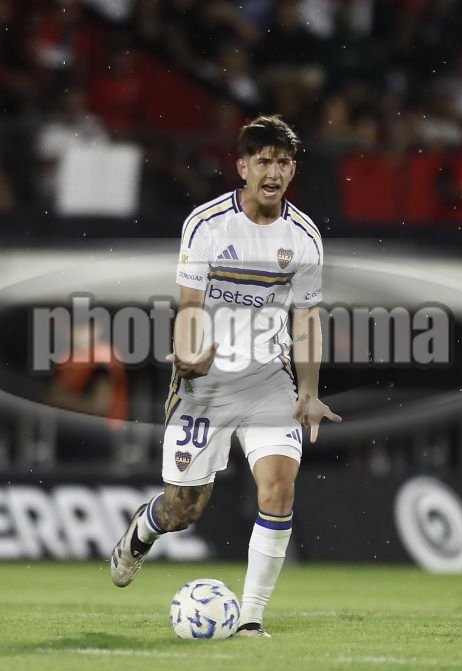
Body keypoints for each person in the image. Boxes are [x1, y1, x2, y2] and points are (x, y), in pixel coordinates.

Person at [110, 114, 342, 637]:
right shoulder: (208, 224)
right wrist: (189, 355)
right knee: (184, 509)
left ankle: (251, 619)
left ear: (293, 170)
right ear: (242, 167)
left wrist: (308, 391)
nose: (274, 172)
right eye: (264, 161)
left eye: (284, 162)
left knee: (278, 488)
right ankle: (144, 529)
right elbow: (190, 305)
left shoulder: (304, 237)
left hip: (268, 380)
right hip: (205, 384)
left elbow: (306, 318)